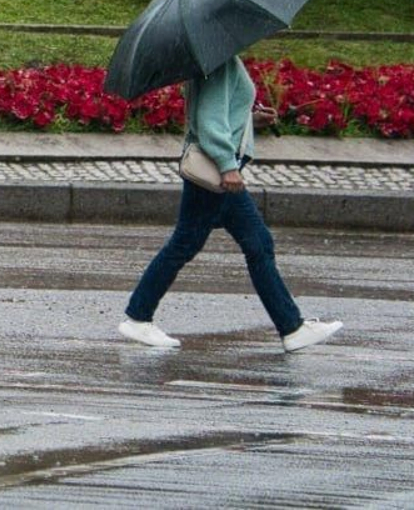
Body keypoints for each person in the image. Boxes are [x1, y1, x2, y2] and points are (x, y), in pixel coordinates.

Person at [119, 55, 343, 353]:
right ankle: (138, 316)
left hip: (215, 172)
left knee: (249, 244)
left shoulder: (211, 61)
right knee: (223, 245)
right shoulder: (220, 63)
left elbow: (220, 115)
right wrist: (228, 166)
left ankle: (292, 327)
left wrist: (252, 121)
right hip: (216, 174)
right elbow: (210, 123)